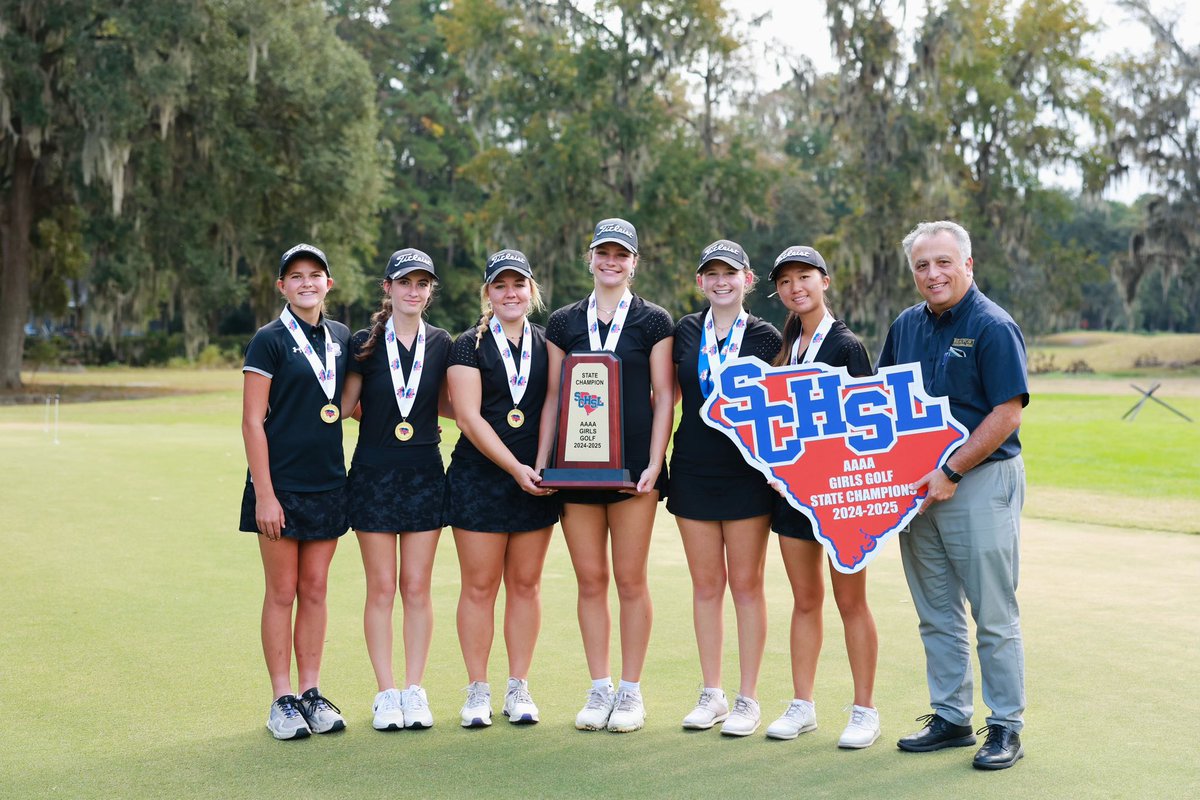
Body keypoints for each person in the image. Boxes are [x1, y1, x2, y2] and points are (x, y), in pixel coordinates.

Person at [879, 220, 1029, 770]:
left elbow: (1007, 412)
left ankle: (1006, 726)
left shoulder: (992, 325)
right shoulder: (905, 326)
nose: (933, 273)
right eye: (922, 265)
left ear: (968, 264)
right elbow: (882, 404)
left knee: (993, 612)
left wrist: (952, 469)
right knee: (936, 610)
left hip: (979, 481)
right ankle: (951, 717)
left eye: (943, 262)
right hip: (918, 492)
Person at [537, 218, 674, 733]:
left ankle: (632, 692)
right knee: (590, 580)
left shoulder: (653, 320)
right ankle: (599, 688)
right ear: (589, 257)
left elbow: (664, 397)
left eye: (622, 254)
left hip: (634, 469)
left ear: (634, 262)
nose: (611, 262)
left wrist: (655, 462)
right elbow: (553, 395)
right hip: (575, 471)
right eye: (603, 253)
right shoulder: (564, 322)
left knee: (630, 579)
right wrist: (547, 460)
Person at [761, 245, 882, 748]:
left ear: (825, 281)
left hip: (840, 498)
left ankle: (864, 710)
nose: (796, 288)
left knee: (850, 601)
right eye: (786, 281)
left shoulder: (846, 347)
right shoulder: (787, 345)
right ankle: (803, 705)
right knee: (805, 600)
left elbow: (866, 426)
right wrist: (776, 466)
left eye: (804, 277)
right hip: (793, 497)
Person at [668, 240, 781, 736]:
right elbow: (667, 396)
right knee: (706, 585)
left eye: (730, 273)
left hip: (747, 474)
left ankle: (747, 698)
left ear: (747, 279)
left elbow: (782, 411)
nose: (720, 281)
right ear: (699, 281)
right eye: (710, 273)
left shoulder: (767, 336)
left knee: (747, 585)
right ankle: (711, 693)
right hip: (692, 467)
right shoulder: (685, 331)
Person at [240, 243, 350, 740]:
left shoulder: (342, 338)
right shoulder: (268, 340)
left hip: (329, 482)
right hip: (279, 487)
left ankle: (311, 691)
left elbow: (346, 403)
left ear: (329, 283)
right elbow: (251, 421)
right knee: (282, 592)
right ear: (282, 286)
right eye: (296, 276)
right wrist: (265, 494)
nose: (307, 283)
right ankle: (281, 698)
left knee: (316, 589)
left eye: (316, 274)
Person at [445, 249, 559, 729]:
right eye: (500, 285)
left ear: (531, 291)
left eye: (518, 285)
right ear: (487, 293)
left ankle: (518, 688)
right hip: (480, 478)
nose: (510, 293)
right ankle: (477, 691)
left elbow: (556, 400)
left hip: (536, 479)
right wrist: (516, 467)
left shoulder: (549, 342)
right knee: (479, 586)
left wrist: (543, 464)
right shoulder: (465, 345)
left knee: (527, 585)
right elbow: (468, 417)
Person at [340, 248, 453, 731]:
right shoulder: (364, 343)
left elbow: (452, 403)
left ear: (430, 292)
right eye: (405, 282)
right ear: (387, 288)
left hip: (425, 475)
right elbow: (344, 406)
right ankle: (386, 693)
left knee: (417, 588)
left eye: (422, 283)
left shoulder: (445, 342)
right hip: (373, 476)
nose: (414, 290)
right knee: (382, 587)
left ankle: (414, 689)